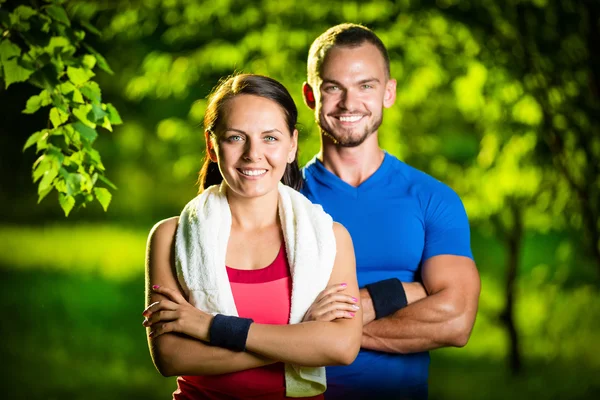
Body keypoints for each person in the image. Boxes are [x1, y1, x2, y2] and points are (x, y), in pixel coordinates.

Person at [142, 74, 362, 399]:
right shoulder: (171, 237)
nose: (252, 154)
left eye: (270, 138)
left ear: (292, 145)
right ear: (211, 147)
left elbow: (342, 348)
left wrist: (210, 328)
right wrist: (299, 339)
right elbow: (172, 357)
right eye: (235, 138)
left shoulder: (330, 239)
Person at [300, 24, 481, 399]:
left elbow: (456, 320)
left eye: (365, 86)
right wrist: (405, 293)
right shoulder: (282, 199)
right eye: (334, 87)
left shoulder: (433, 198)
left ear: (389, 92)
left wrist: (336, 329)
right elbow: (258, 313)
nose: (350, 104)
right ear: (310, 96)